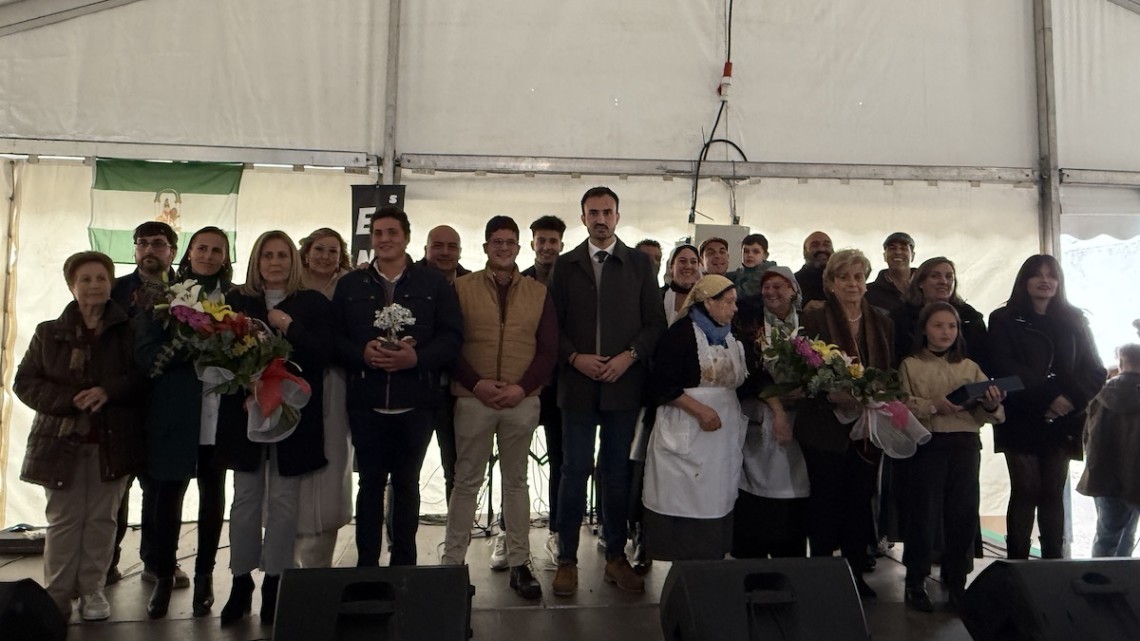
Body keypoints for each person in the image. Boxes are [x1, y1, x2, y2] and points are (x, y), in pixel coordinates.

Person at [14, 251, 145, 621]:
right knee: (64, 521)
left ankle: (92, 591)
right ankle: (56, 596)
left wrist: (108, 391)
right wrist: (68, 400)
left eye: (101, 278)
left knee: (103, 521)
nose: (93, 286)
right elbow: (24, 383)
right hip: (59, 444)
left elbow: (141, 377)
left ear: (110, 285)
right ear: (72, 286)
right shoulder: (47, 333)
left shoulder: (129, 331)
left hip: (112, 442)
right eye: (85, 279)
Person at [549, 186, 667, 596]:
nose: (600, 219)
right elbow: (551, 327)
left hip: (623, 387)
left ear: (618, 216)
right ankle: (566, 559)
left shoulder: (639, 264)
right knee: (573, 471)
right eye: (593, 212)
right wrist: (574, 357)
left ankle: (615, 557)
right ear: (582, 218)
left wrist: (629, 356)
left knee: (616, 475)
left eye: (607, 212)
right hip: (577, 387)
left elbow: (655, 324)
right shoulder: (564, 267)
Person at [333, 205, 463, 567]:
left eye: (392, 232)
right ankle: (367, 565)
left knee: (407, 485)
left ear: (406, 237)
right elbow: (336, 338)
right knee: (370, 485)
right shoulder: (351, 284)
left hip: (416, 402)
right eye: (378, 233)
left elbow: (452, 336)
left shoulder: (432, 283)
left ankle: (404, 565)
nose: (385, 239)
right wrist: (361, 353)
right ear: (371, 239)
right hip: (366, 401)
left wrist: (416, 359)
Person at [215, 231, 331, 625]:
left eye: (282, 255)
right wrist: (245, 376)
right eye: (268, 255)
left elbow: (322, 355)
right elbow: (219, 354)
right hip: (245, 415)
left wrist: (289, 326)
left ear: (293, 261)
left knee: (283, 504)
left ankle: (275, 582)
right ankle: (240, 580)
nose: (276, 262)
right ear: (256, 260)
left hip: (292, 419)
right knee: (245, 501)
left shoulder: (312, 303)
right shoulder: (236, 302)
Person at [442, 216, 557, 600]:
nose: (503, 248)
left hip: (521, 402)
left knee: (516, 482)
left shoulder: (538, 292)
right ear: (486, 246)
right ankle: (452, 565)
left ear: (519, 248)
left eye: (510, 242)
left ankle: (520, 564)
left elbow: (548, 349)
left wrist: (522, 388)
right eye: (496, 242)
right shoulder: (461, 288)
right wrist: (476, 383)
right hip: (473, 399)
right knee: (465, 482)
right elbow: (450, 343)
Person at [134, 226, 235, 618]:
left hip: (219, 410)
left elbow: (250, 349)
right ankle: (162, 574)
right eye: (202, 248)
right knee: (167, 494)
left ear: (226, 256)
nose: (208, 255)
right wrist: (196, 343)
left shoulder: (237, 298)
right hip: (175, 409)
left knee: (213, 492)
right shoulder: (161, 296)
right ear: (187, 252)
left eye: (217, 250)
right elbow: (147, 357)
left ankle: (206, 575)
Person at [988, 254, 1105, 559]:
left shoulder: (1074, 319)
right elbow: (1002, 367)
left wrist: (1070, 401)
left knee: (1052, 493)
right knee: (1026, 490)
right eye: (1037, 275)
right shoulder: (1003, 319)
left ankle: (1055, 565)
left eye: (1051, 275)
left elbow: (1095, 370)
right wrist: (1049, 396)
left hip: (1064, 418)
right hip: (1021, 416)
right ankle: (1016, 565)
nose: (1045, 281)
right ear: (1024, 281)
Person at [794, 249, 893, 598]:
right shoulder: (814, 317)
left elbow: (888, 369)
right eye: (844, 277)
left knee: (859, 499)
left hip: (867, 425)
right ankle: (821, 571)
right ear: (831, 283)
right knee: (825, 500)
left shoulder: (881, 320)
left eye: (858, 277)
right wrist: (830, 394)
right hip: (824, 424)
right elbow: (802, 370)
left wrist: (876, 392)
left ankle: (853, 573)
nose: (853, 283)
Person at [898, 302, 1005, 611]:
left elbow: (994, 414)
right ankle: (915, 581)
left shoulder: (970, 367)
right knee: (923, 515)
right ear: (924, 330)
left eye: (952, 326)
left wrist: (990, 403)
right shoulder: (910, 365)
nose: (945, 332)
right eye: (938, 325)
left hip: (965, 445)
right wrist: (934, 405)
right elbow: (901, 406)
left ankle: (956, 579)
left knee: (963, 514)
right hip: (929, 445)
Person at [642, 275, 746, 560]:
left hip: (720, 441)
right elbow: (660, 385)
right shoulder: (681, 334)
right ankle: (684, 567)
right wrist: (700, 410)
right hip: (687, 430)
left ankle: (710, 560)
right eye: (727, 302)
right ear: (708, 302)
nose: (734, 308)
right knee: (684, 499)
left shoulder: (729, 336)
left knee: (714, 499)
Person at [106, 221, 179, 588]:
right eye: (144, 243)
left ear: (172, 252)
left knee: (161, 492)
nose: (151, 250)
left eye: (159, 244)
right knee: (115, 490)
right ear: (135, 249)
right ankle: (105, 564)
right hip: (119, 404)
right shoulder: (114, 290)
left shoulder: (187, 293)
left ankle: (158, 562)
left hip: (166, 405)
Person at [731, 266, 810, 559]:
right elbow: (748, 371)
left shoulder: (808, 323)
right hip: (759, 411)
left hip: (799, 415)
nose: (772, 292)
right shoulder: (749, 322)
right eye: (767, 287)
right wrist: (774, 402)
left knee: (793, 483)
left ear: (793, 290)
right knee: (757, 481)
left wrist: (806, 388)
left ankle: (788, 555)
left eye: (779, 286)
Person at [294, 229, 355, 568]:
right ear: (307, 251)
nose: (325, 256)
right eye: (319, 249)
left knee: (333, 465)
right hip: (293, 383)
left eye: (333, 251)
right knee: (295, 473)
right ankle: (287, 562)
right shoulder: (292, 283)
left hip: (335, 382)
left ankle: (321, 562)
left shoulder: (350, 286)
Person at [521, 214, 566, 563]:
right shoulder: (519, 282)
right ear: (532, 243)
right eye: (542, 240)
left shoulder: (573, 281)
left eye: (553, 241)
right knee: (513, 464)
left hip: (562, 387)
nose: (547, 246)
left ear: (561, 244)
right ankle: (511, 534)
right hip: (523, 384)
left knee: (562, 462)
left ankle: (557, 532)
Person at [417, 224, 470, 506]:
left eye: (452, 247)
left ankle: (456, 543)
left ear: (460, 252)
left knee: (459, 472)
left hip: (460, 393)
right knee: (404, 472)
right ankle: (399, 545)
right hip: (415, 391)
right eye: (438, 245)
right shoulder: (406, 281)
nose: (445, 252)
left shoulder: (474, 284)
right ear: (425, 249)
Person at [1077, 343, 1140, 558]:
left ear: (1121, 362)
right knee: (1129, 533)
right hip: (1136, 474)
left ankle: (1100, 583)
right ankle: (1129, 584)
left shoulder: (1101, 393)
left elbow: (1087, 432)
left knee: (1106, 535)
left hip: (1105, 473)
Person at [891, 257, 989, 370]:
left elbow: (984, 359)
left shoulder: (971, 318)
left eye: (949, 277)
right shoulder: (901, 318)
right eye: (935, 276)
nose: (943, 281)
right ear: (920, 283)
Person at [865, 232, 915, 317]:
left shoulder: (926, 288)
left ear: (913, 256)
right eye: (892, 248)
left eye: (903, 248)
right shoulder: (869, 293)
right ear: (884, 256)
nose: (898, 252)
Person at [663, 244, 701, 326]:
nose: (688, 266)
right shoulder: (658, 296)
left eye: (693, 262)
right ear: (671, 267)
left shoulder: (705, 299)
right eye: (682, 261)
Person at [729, 233, 776, 298]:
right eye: (746, 251)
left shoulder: (771, 276)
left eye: (756, 252)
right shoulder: (738, 274)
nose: (750, 255)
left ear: (765, 255)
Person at [794, 231, 833, 306]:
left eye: (826, 245)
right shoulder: (793, 283)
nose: (822, 249)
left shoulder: (843, 280)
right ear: (805, 252)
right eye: (815, 245)